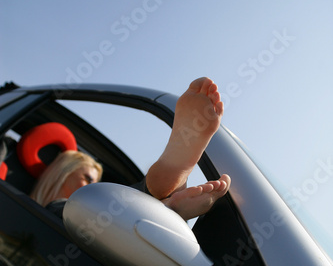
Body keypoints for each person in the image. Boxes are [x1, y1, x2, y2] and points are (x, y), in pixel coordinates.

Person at [31, 77, 231, 220]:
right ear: (62, 174)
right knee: (84, 211)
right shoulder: (47, 209)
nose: (91, 186)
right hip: (67, 218)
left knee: (101, 212)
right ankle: (160, 204)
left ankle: (159, 199)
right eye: (88, 179)